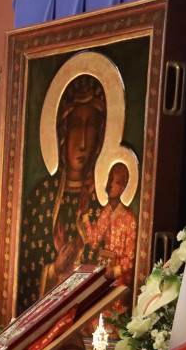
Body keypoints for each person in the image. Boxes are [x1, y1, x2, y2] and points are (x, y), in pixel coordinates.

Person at [19, 74, 106, 309]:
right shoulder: (41, 197)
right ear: (62, 133)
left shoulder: (104, 200)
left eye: (92, 126)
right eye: (76, 126)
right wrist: (54, 269)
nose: (83, 143)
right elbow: (24, 273)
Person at [81, 161, 137, 290]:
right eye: (110, 179)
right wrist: (85, 217)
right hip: (104, 278)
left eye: (116, 182)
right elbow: (94, 241)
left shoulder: (129, 218)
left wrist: (114, 271)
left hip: (120, 283)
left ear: (122, 188)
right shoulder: (106, 211)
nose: (111, 185)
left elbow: (130, 258)